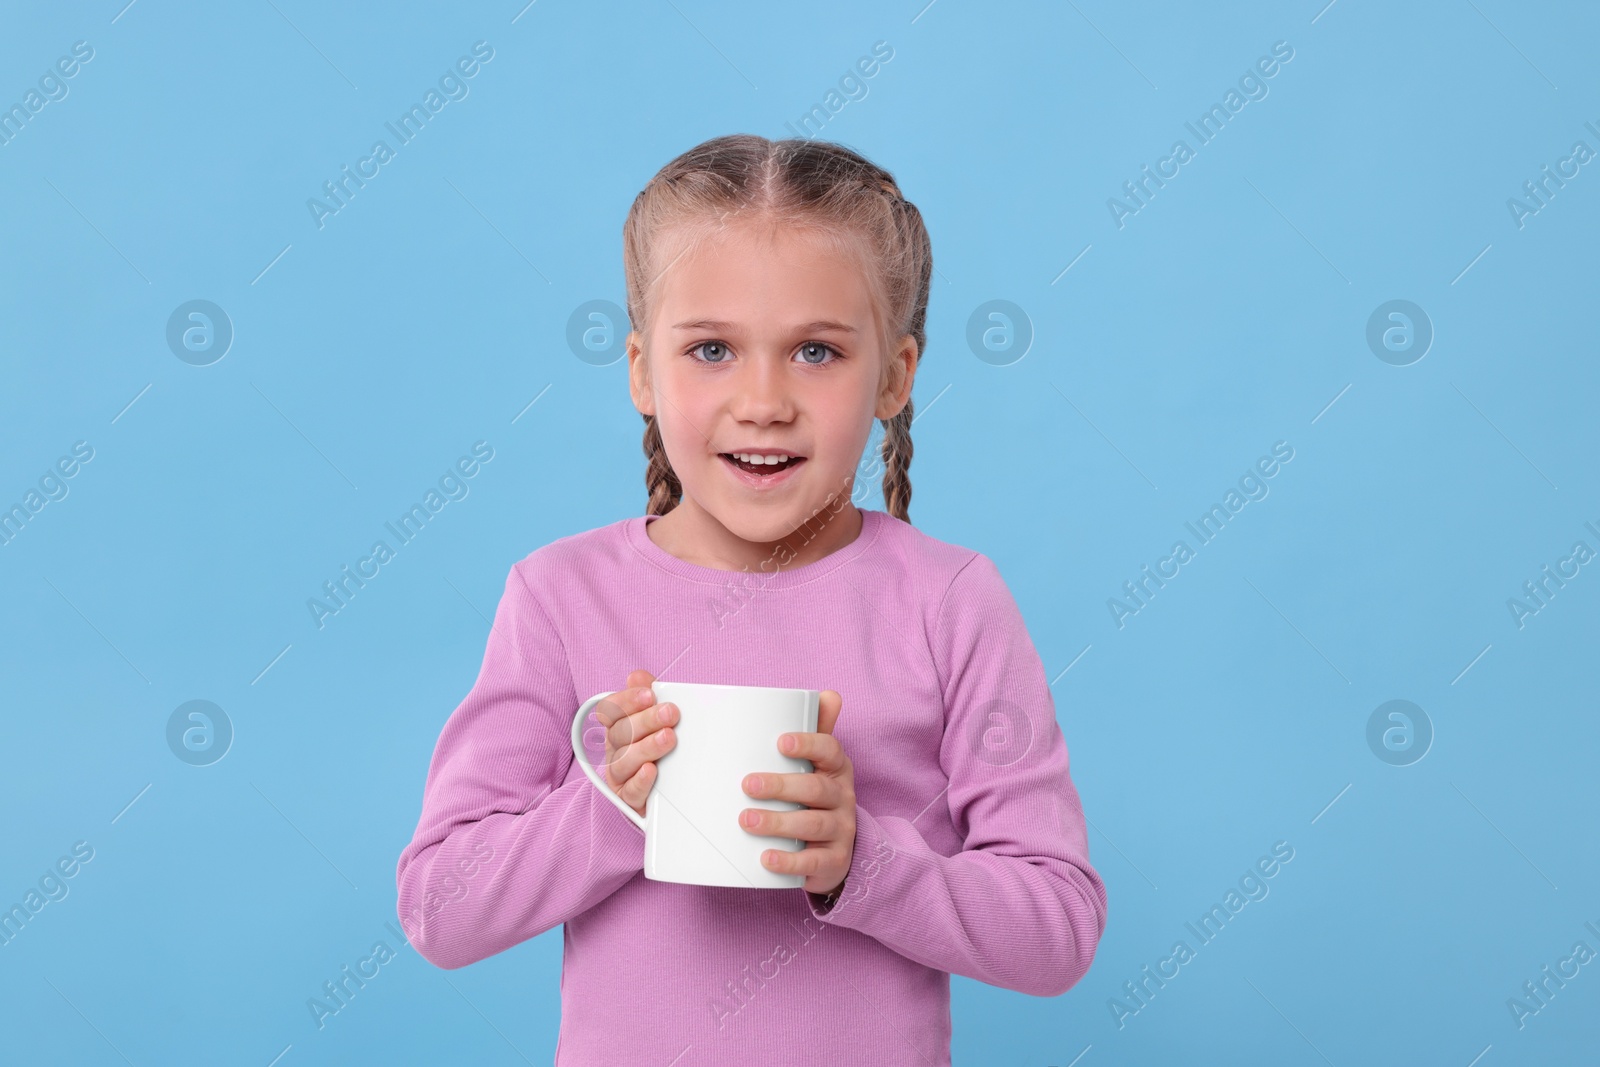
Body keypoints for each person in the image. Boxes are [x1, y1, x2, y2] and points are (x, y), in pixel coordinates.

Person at [395, 133, 1107, 1065]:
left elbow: (1058, 929)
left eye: (816, 350)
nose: (763, 399)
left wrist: (866, 863)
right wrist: (610, 805)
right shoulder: (560, 595)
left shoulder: (951, 602)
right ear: (644, 370)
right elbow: (440, 909)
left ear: (895, 375)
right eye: (713, 349)